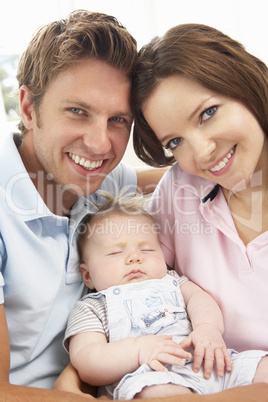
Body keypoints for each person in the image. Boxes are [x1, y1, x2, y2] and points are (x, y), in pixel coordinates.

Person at [0, 9, 167, 401]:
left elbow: (181, 179)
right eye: (78, 111)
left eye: (118, 120)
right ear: (28, 109)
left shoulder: (102, 183)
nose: (99, 144)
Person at [131, 22, 268, 397]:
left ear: (245, 85)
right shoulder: (179, 189)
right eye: (176, 141)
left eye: (208, 113)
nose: (202, 152)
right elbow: (130, 291)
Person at [63, 192, 267, 400]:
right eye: (116, 253)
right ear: (87, 275)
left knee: (263, 367)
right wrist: (138, 350)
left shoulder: (172, 281)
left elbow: (200, 299)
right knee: (162, 394)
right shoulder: (92, 307)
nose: (135, 257)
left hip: (210, 362)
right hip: (152, 376)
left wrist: (207, 327)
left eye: (147, 249)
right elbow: (87, 360)